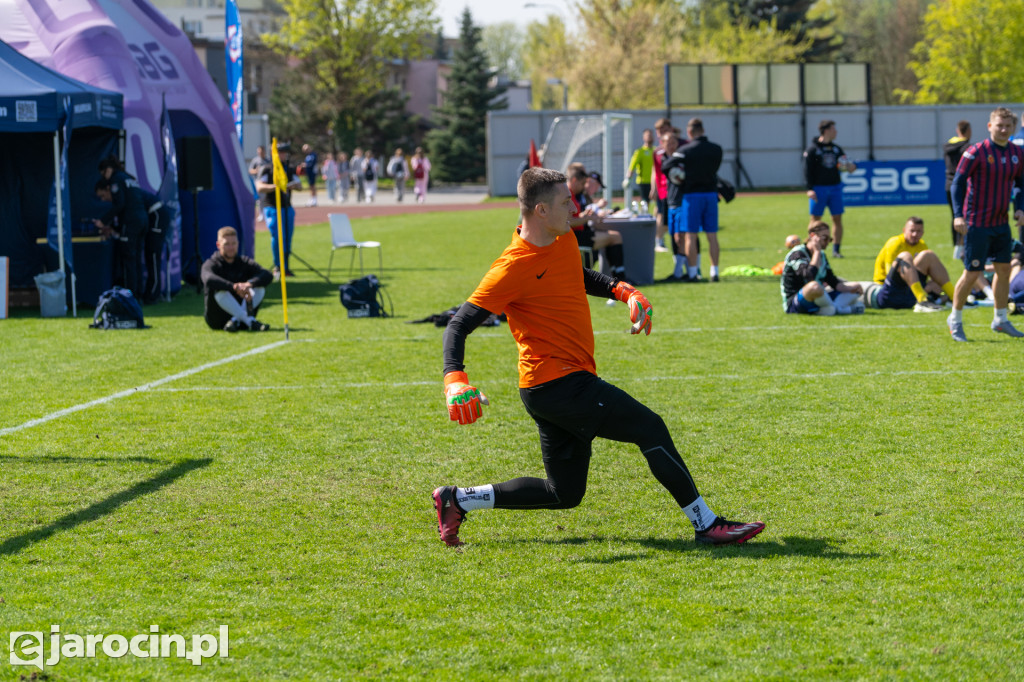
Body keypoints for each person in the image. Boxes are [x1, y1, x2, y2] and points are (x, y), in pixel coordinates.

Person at [431, 167, 765, 548]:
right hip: (557, 384)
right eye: (565, 201)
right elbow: (457, 325)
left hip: (552, 388)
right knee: (650, 428)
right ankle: (706, 524)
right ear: (540, 210)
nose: (574, 206)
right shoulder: (510, 267)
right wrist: (454, 380)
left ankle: (457, 499)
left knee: (564, 493)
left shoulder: (562, 238)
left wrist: (625, 292)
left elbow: (579, 274)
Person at [947, 106, 1024, 342]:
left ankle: (1000, 319)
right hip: (976, 224)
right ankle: (955, 319)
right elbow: (957, 184)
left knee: (1004, 269)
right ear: (990, 126)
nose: (1003, 130)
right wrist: (958, 215)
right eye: (999, 125)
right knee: (972, 273)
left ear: (1013, 128)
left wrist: (1020, 207)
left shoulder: (1017, 153)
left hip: (1001, 224)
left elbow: (1020, 184)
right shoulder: (975, 152)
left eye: (1007, 126)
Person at [667, 117, 723, 282]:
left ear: (689, 132)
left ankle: (692, 273)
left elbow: (667, 165)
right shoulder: (716, 149)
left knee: (691, 235)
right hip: (711, 195)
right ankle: (715, 272)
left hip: (692, 196)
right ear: (703, 130)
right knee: (712, 235)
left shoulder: (685, 150)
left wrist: (680, 177)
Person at [865, 216, 953, 312]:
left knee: (929, 255)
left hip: (910, 291)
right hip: (888, 290)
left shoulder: (922, 245)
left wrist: (930, 286)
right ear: (904, 230)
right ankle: (923, 300)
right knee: (905, 256)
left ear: (923, 233)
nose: (915, 234)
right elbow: (889, 272)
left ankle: (955, 298)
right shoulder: (895, 243)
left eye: (919, 231)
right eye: (912, 231)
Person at [780, 221, 864, 315]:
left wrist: (853, 287)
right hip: (795, 302)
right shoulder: (797, 254)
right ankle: (840, 309)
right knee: (814, 286)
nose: (828, 242)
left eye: (830, 239)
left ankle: (831, 309)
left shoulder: (822, 255)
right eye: (825, 238)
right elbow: (808, 277)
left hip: (820, 298)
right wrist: (816, 253)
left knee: (853, 291)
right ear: (812, 236)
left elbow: (833, 281)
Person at [200, 226, 273, 332]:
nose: (231, 247)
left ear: (238, 243)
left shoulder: (243, 261)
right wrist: (234, 287)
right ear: (218, 245)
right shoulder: (211, 263)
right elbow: (208, 279)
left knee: (259, 288)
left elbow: (267, 274)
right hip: (218, 320)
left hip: (241, 323)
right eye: (226, 244)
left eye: (233, 243)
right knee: (219, 289)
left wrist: (249, 284)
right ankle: (251, 322)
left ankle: (237, 320)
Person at [93, 158, 148, 298]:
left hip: (131, 223)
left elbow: (119, 204)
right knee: (135, 259)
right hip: (142, 220)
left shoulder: (116, 180)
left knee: (129, 259)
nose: (104, 177)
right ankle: (139, 294)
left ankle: (130, 295)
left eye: (103, 173)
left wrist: (103, 221)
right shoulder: (128, 177)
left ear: (108, 170)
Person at [803, 119, 856, 258]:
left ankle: (836, 250)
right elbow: (807, 170)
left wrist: (850, 167)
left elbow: (847, 165)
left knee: (837, 218)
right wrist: (809, 188)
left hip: (835, 188)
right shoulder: (813, 149)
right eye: (833, 129)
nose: (836, 132)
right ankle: (810, 248)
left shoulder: (836, 149)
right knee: (815, 219)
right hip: (818, 189)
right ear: (826, 130)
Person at [566, 164, 627, 280]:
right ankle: (619, 278)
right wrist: (587, 218)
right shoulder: (567, 195)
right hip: (574, 237)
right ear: (574, 180)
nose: (584, 186)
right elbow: (568, 222)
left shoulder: (573, 194)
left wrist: (584, 215)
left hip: (577, 235)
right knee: (615, 237)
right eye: (583, 183)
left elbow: (573, 217)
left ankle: (616, 278)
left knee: (613, 236)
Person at [254, 141, 302, 279]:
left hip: (287, 207)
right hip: (272, 207)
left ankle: (286, 267)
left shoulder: (289, 168)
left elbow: (299, 186)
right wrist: (276, 186)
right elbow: (259, 187)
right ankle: (278, 266)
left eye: (285, 153)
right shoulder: (267, 168)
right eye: (280, 152)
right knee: (277, 236)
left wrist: (290, 186)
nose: (283, 155)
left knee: (287, 237)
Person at [944, 121, 971, 258]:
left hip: (949, 184)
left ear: (957, 130)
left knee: (955, 216)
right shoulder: (967, 148)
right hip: (962, 185)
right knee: (965, 216)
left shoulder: (947, 146)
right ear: (967, 131)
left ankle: (956, 246)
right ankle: (963, 247)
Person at [623, 128, 655, 205]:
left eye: (651, 135)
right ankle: (644, 216)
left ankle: (656, 217)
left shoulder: (655, 150)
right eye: (647, 135)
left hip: (655, 181)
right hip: (644, 181)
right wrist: (628, 178)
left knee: (658, 203)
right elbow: (632, 166)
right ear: (643, 138)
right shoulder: (640, 151)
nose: (649, 137)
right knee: (645, 203)